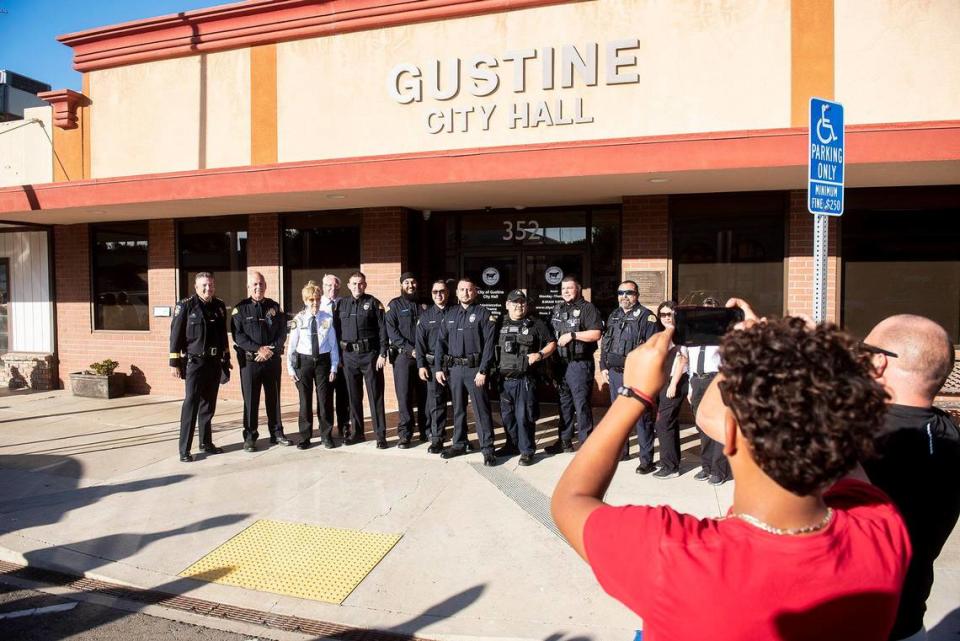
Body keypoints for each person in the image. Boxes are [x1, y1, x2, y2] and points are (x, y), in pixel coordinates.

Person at [552, 306, 910, 641]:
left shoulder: (677, 557)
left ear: (732, 434)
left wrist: (634, 395)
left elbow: (570, 500)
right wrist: (759, 356)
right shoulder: (881, 526)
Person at [861, 314, 960, 641]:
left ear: (879, 362)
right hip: (909, 625)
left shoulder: (856, 437)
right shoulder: (948, 435)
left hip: (848, 624)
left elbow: (716, 418)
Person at [169, 272, 230, 462]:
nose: (208, 288)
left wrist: (226, 360)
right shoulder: (186, 306)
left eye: (211, 285)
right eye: (204, 285)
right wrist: (174, 362)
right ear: (196, 287)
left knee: (208, 406)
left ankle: (206, 442)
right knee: (191, 405)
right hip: (194, 363)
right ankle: (184, 450)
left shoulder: (219, 306)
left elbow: (222, 335)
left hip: (213, 363)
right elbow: (175, 335)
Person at [435, 277, 497, 465]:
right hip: (454, 370)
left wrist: (484, 370)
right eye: (462, 290)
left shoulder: (484, 314)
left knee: (481, 410)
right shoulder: (450, 314)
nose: (465, 293)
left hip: (475, 370)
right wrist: (439, 368)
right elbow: (441, 343)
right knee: (458, 409)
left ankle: (487, 449)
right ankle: (459, 443)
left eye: (469, 290)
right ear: (456, 293)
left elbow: (489, 345)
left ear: (475, 291)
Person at [599, 280, 659, 472]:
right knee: (618, 417)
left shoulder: (647, 317)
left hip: (637, 377)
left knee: (641, 420)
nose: (624, 296)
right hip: (615, 374)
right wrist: (603, 366)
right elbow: (606, 343)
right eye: (620, 293)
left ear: (637, 295)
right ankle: (623, 452)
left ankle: (646, 461)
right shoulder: (614, 316)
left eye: (628, 293)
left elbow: (653, 350)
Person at [495, 289, 557, 465]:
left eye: (522, 302)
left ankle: (527, 450)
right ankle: (512, 445)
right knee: (507, 417)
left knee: (524, 417)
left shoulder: (536, 323)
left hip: (525, 380)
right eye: (515, 302)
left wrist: (540, 354)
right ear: (507, 305)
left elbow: (551, 342)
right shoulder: (499, 322)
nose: (518, 306)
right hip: (504, 380)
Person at [232, 271, 290, 451]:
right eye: (255, 284)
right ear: (249, 287)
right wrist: (258, 349)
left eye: (261, 284)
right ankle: (250, 436)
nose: (258, 287)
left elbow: (282, 331)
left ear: (265, 286)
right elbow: (238, 336)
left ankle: (277, 433)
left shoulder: (274, 306)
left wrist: (269, 350)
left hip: (271, 361)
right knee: (250, 400)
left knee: (274, 398)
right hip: (250, 362)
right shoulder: (240, 309)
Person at [547, 275, 603, 453]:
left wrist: (573, 335)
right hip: (560, 364)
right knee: (564, 404)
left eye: (569, 288)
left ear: (578, 289)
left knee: (581, 405)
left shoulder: (588, 308)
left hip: (579, 364)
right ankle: (564, 441)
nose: (566, 292)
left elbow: (596, 334)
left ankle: (586, 445)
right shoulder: (557, 309)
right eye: (563, 289)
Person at [338, 271, 389, 448]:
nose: (357, 287)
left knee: (376, 396)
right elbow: (336, 332)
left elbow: (383, 330)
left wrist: (383, 353)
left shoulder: (374, 303)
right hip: (348, 357)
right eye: (354, 283)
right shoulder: (341, 304)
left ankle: (380, 435)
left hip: (370, 356)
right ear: (348, 285)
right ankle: (357, 433)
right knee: (354, 397)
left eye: (360, 284)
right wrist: (338, 357)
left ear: (365, 285)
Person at [682, 296, 729, 484]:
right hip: (697, 382)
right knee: (702, 426)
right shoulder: (692, 335)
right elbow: (688, 361)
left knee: (716, 427)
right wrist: (690, 387)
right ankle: (707, 466)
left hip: (715, 381)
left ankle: (719, 470)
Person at [288, 282, 339, 450]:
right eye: (311, 300)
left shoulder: (326, 318)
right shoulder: (298, 319)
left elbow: (333, 344)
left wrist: (333, 366)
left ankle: (326, 435)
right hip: (304, 363)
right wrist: (290, 368)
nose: (315, 303)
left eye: (317, 299)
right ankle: (305, 437)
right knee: (305, 401)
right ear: (305, 300)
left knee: (324, 400)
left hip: (323, 363)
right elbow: (292, 346)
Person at [386, 272, 428, 448]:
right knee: (404, 397)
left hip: (424, 358)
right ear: (401, 285)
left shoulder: (425, 305)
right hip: (403, 357)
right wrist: (411, 350)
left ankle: (426, 431)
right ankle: (405, 434)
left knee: (425, 396)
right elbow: (392, 333)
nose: (410, 285)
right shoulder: (394, 306)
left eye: (413, 282)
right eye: (407, 282)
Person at [650, 300, 689, 479]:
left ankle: (670, 467)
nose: (667, 317)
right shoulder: (663, 333)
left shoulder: (680, 334)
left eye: (670, 314)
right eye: (663, 314)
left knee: (663, 422)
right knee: (669, 423)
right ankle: (671, 462)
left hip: (675, 381)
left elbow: (683, 359)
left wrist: (673, 384)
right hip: (663, 382)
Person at [416, 279, 451, 454]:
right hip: (431, 366)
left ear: (448, 293)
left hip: (453, 365)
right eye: (435, 292)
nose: (439, 295)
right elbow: (419, 344)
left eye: (442, 291)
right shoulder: (426, 316)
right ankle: (437, 439)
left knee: (459, 404)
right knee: (436, 403)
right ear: (431, 294)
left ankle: (462, 437)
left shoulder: (456, 312)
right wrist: (421, 365)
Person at [320, 274, 351, 442]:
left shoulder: (345, 303)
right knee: (325, 396)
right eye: (328, 286)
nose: (332, 289)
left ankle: (345, 426)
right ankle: (326, 429)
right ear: (323, 286)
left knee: (343, 395)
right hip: (325, 358)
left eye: (335, 286)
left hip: (344, 356)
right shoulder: (317, 305)